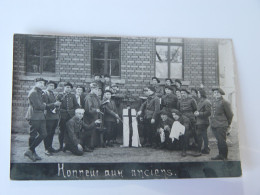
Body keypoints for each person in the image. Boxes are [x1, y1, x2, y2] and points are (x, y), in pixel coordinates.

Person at [24, 78, 49, 161]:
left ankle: (30, 150)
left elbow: (44, 102)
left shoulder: (40, 92)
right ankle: (32, 153)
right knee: (33, 134)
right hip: (34, 115)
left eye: (43, 83)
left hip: (40, 116)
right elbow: (39, 106)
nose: (42, 84)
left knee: (44, 134)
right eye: (40, 83)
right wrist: (44, 104)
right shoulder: (33, 93)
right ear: (35, 83)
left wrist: (44, 97)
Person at [210, 88, 233, 160]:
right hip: (215, 124)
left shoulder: (224, 102)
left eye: (217, 93)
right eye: (214, 93)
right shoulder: (214, 102)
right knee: (219, 141)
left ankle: (224, 156)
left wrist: (227, 124)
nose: (216, 94)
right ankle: (220, 155)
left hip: (221, 125)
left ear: (221, 94)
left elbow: (230, 114)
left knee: (222, 141)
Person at [57, 82, 79, 151]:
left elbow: (76, 105)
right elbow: (57, 106)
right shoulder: (60, 95)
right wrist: (61, 111)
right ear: (64, 88)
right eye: (67, 87)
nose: (68, 89)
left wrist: (75, 111)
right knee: (62, 131)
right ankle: (61, 146)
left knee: (69, 131)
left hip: (70, 116)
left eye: (69, 87)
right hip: (62, 116)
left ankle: (67, 145)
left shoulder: (72, 96)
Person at [43, 80, 61, 156]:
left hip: (54, 116)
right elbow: (44, 105)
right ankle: (46, 149)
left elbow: (53, 104)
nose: (52, 87)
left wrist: (57, 105)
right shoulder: (44, 93)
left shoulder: (52, 93)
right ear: (47, 85)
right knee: (47, 133)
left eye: (53, 86)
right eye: (50, 85)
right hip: (48, 116)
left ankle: (50, 147)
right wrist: (54, 104)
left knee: (52, 132)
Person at [83, 83, 102, 150]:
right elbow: (88, 109)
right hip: (90, 117)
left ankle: (93, 144)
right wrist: (96, 110)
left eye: (98, 89)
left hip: (95, 116)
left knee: (94, 131)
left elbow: (99, 104)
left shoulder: (96, 97)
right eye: (96, 89)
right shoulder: (89, 97)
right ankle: (89, 145)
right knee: (90, 131)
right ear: (92, 89)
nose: (97, 91)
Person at [194, 88, 211, 155]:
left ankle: (199, 151)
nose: (197, 94)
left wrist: (199, 114)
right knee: (204, 135)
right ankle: (206, 149)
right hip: (200, 121)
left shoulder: (206, 102)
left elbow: (208, 113)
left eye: (198, 93)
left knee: (199, 135)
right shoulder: (201, 101)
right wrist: (197, 112)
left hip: (203, 122)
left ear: (201, 94)